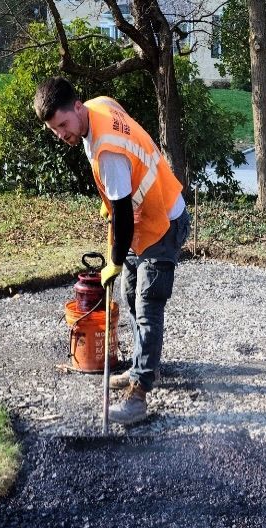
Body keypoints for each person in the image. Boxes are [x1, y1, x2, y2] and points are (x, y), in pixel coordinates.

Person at [34, 77, 191, 425]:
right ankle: (142, 365)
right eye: (54, 130)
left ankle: (138, 396)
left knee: (148, 305)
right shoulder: (98, 104)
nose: (62, 134)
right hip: (144, 216)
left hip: (162, 221)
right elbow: (122, 188)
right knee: (131, 296)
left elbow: (121, 213)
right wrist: (115, 203)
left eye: (63, 125)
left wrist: (115, 261)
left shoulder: (107, 153)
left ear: (77, 108)